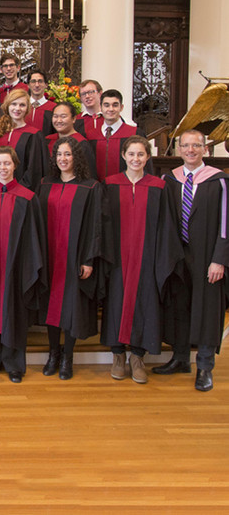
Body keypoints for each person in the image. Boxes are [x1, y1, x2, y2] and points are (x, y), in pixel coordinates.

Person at [101, 136, 182, 384]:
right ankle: (117, 355)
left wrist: (162, 259)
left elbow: (168, 225)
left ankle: (137, 356)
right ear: (123, 156)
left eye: (141, 154)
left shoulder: (158, 186)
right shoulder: (110, 184)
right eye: (131, 154)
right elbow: (102, 224)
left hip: (148, 257)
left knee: (145, 302)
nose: (136, 159)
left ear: (148, 157)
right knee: (116, 301)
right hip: (117, 258)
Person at [154, 130, 229, 392]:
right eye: (185, 146)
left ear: (205, 149)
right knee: (179, 306)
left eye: (196, 145)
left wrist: (219, 259)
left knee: (207, 310)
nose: (190, 150)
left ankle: (205, 366)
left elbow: (225, 225)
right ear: (178, 149)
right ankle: (180, 358)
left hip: (207, 256)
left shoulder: (219, 181)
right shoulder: (170, 180)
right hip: (178, 255)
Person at [0, 147, 45, 383]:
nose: (3, 168)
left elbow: (36, 236)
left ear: (15, 165)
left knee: (13, 311)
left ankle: (14, 364)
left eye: (7, 163)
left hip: (16, 266)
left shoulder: (28, 197)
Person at [37, 136, 104, 380]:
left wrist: (88, 259)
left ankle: (68, 356)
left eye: (68, 154)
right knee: (52, 306)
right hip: (51, 256)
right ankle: (53, 353)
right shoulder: (45, 184)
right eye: (59, 154)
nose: (63, 159)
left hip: (74, 257)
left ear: (76, 157)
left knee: (71, 306)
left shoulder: (91, 187)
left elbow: (95, 226)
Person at [0, 88, 48, 190]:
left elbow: (34, 170)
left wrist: (18, 190)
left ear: (27, 108)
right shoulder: (0, 133)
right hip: (0, 189)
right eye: (14, 104)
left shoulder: (33, 135)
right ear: (7, 106)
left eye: (22, 105)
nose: (17, 108)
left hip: (22, 192)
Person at [87, 89, 147, 181]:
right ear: (100, 107)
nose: (111, 109)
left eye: (115, 105)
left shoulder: (134, 133)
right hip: (97, 189)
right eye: (106, 105)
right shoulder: (91, 136)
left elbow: (145, 166)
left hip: (126, 189)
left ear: (121, 107)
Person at [46, 102, 97, 178]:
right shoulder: (47, 140)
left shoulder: (81, 143)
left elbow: (89, 173)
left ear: (74, 119)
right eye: (55, 116)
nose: (59, 120)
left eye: (63, 116)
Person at [25, 69, 55, 135]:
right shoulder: (22, 106)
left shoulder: (53, 108)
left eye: (40, 81)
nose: (37, 85)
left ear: (46, 85)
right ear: (28, 85)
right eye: (33, 81)